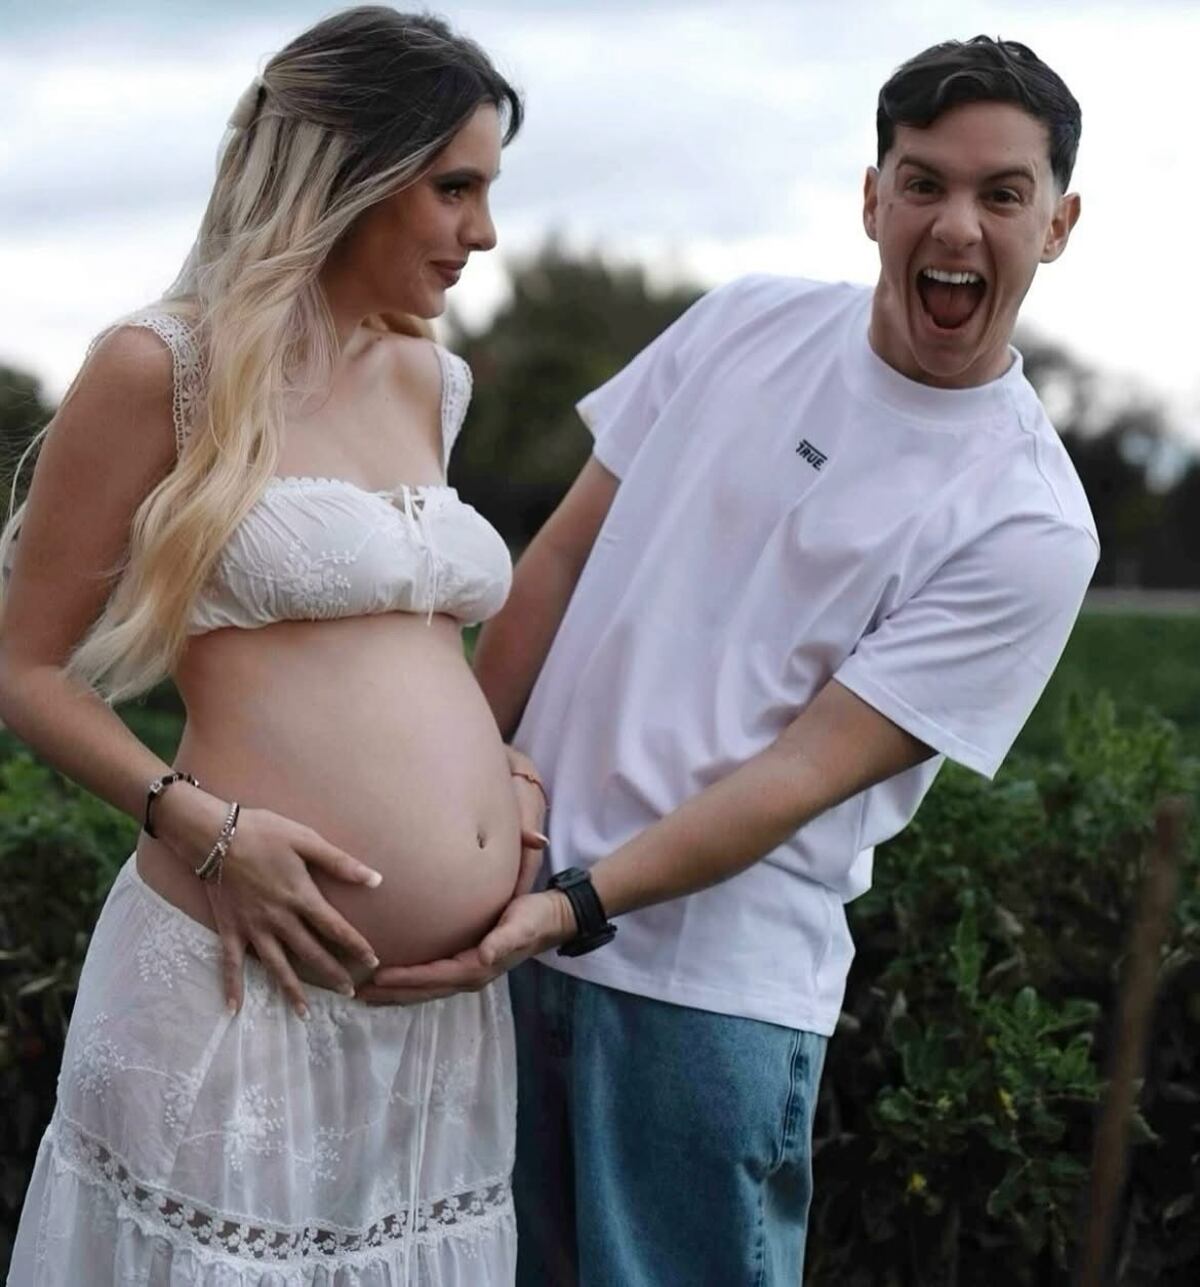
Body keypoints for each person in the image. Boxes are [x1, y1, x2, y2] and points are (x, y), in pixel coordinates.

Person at [361, 35, 1098, 1286]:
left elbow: (802, 774)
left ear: (1058, 224)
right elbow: (558, 563)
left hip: (706, 1006)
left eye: (1002, 193)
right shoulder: (745, 321)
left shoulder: (1029, 521)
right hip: (502, 921)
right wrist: (454, 816)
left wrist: (573, 904)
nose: (956, 225)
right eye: (923, 182)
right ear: (873, 199)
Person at [3, 8, 543, 1284]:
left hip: (439, 1022)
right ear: (347, 172)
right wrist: (202, 825)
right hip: (237, 982)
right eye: (454, 188)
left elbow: (410, 646)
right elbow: (22, 669)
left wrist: (506, 781)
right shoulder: (162, 368)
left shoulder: (431, 381)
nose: (483, 232)